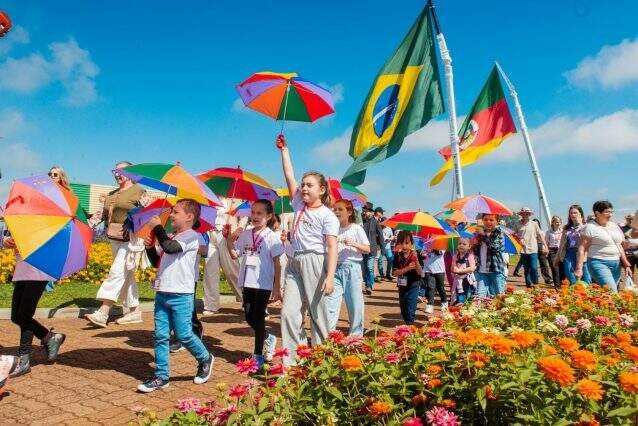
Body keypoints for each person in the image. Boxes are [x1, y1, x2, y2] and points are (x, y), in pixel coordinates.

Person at [138, 199, 214, 392]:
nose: (171, 215)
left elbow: (171, 248)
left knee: (184, 334)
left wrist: (157, 228)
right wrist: (149, 247)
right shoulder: (171, 236)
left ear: (189, 217)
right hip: (163, 292)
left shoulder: (191, 236)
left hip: (181, 294)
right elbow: (156, 260)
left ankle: (205, 358)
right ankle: (161, 376)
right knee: (160, 335)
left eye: (176, 212)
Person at [277, 134, 339, 367]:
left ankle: (324, 362)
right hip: (294, 261)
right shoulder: (298, 204)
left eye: (309, 185)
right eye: (303, 185)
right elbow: (289, 175)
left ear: (321, 190)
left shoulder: (327, 216)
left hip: (315, 261)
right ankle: (294, 363)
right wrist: (284, 151)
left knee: (318, 314)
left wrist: (330, 277)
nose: (303, 188)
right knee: (288, 313)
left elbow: (332, 247)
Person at [2, 167, 70, 377]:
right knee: (16, 316)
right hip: (22, 266)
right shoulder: (28, 208)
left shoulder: (60, 212)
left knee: (24, 314)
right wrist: (7, 240)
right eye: (49, 174)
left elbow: (55, 241)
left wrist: (29, 241)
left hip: (39, 268)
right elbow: (11, 233)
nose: (51, 177)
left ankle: (24, 360)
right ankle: (50, 338)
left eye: (55, 174)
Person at [86, 162, 146, 327]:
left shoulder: (139, 191)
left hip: (131, 239)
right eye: (116, 171)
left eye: (122, 171)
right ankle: (134, 311)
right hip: (114, 237)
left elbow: (149, 213)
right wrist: (85, 225)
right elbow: (101, 215)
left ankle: (103, 312)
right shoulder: (112, 194)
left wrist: (134, 224)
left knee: (117, 271)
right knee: (126, 275)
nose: (117, 174)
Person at [226, 199, 283, 369]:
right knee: (249, 316)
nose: (255, 216)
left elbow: (277, 263)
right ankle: (268, 337)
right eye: (253, 212)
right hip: (247, 281)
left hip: (263, 282)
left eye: (260, 213)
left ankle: (258, 354)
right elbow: (235, 254)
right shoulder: (245, 234)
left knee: (258, 317)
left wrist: (277, 286)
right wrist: (229, 240)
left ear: (269, 216)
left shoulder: (271, 237)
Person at [326, 199, 369, 336]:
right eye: (334, 209)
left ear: (349, 212)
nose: (336, 212)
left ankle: (356, 336)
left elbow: (367, 249)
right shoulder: (332, 230)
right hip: (335, 269)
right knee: (330, 303)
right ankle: (329, 335)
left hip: (352, 268)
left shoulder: (356, 228)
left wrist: (354, 244)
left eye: (340, 209)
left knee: (354, 303)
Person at [575, 201, 633, 292]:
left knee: (611, 292)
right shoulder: (590, 227)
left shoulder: (614, 226)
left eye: (611, 212)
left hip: (616, 263)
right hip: (598, 262)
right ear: (597, 213)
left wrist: (626, 265)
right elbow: (582, 248)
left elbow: (619, 246)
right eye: (607, 212)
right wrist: (579, 268)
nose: (610, 215)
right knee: (612, 290)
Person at [169, 232, 208, 353]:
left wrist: (185, 245)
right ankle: (185, 333)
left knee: (186, 309)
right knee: (176, 308)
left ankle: (187, 335)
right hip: (172, 277)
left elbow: (204, 250)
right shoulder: (170, 234)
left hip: (189, 279)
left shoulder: (196, 235)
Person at [201, 209, 244, 316]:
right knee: (210, 271)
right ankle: (211, 305)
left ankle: (247, 300)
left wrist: (239, 229)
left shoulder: (233, 199)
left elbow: (243, 215)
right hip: (208, 233)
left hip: (226, 234)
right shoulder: (207, 200)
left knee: (232, 271)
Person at [392, 231, 423, 325]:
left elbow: (420, 272)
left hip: (414, 285)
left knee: (411, 308)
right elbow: (395, 273)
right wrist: (407, 268)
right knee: (404, 309)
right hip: (402, 286)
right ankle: (408, 323)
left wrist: (416, 261)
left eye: (407, 243)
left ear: (412, 243)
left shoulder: (416, 254)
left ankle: (410, 325)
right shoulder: (397, 255)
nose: (404, 246)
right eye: (401, 243)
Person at [514, 207, 547, 288]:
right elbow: (513, 235)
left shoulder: (534, 224)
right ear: (521, 214)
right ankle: (528, 285)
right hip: (523, 249)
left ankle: (535, 283)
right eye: (523, 213)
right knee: (526, 269)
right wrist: (519, 240)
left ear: (529, 214)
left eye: (527, 213)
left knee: (534, 267)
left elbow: (540, 235)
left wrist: (545, 246)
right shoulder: (517, 224)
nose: (525, 215)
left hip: (533, 249)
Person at [557, 205, 591, 284]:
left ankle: (587, 291)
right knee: (571, 276)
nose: (573, 215)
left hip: (583, 253)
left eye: (575, 213)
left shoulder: (586, 226)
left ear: (581, 214)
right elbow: (561, 243)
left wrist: (580, 225)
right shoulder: (566, 228)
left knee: (586, 277)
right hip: (569, 253)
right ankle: (575, 289)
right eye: (571, 213)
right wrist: (557, 257)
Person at [474, 214, 506, 297]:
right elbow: (476, 252)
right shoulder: (479, 232)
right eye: (486, 219)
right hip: (481, 271)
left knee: (499, 296)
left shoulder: (499, 233)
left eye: (491, 220)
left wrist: (483, 235)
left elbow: (495, 248)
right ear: (482, 221)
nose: (488, 222)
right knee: (480, 297)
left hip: (495, 270)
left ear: (497, 221)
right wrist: (474, 243)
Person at [361, 203, 383, 295]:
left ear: (371, 212)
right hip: (363, 249)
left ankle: (369, 286)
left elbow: (381, 236)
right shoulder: (362, 222)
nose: (364, 213)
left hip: (372, 249)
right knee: (365, 269)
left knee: (370, 268)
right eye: (364, 211)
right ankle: (367, 284)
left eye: (366, 211)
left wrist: (382, 249)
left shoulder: (376, 222)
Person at [422, 246, 448, 314]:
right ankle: (430, 305)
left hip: (439, 270)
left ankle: (444, 302)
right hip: (428, 269)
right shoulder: (426, 245)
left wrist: (433, 249)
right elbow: (423, 256)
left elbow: (440, 252)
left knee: (440, 287)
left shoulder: (442, 245)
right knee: (430, 287)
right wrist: (423, 255)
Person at [451, 237, 477, 304]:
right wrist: (454, 268)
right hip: (458, 280)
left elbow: (472, 268)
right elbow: (452, 268)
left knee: (468, 296)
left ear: (469, 246)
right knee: (459, 297)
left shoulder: (470, 256)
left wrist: (460, 271)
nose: (461, 245)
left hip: (467, 280)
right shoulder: (455, 256)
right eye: (459, 244)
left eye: (464, 244)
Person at [545, 215, 564, 288]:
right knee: (555, 269)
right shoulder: (549, 232)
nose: (558, 224)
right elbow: (546, 243)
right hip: (552, 251)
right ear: (552, 223)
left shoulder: (563, 231)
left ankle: (562, 285)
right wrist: (546, 250)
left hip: (561, 251)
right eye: (556, 222)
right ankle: (557, 286)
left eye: (559, 222)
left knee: (562, 268)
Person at [533, 218, 553, 285]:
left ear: (539, 224)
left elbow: (545, 240)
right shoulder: (530, 231)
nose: (535, 224)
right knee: (533, 264)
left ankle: (547, 279)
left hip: (540, 246)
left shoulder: (541, 231)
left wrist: (545, 248)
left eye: (537, 223)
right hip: (532, 246)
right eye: (534, 223)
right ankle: (534, 279)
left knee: (544, 263)